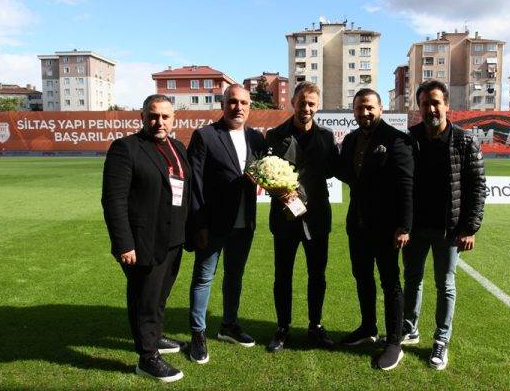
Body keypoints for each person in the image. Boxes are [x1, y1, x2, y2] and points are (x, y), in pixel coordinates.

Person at [102, 94, 190, 382]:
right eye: (153, 116)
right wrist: (123, 243)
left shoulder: (177, 147)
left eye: (165, 116)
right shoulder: (126, 148)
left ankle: (155, 336)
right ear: (142, 117)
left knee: (159, 297)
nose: (159, 122)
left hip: (173, 238)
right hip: (142, 241)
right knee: (144, 298)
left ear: (173, 118)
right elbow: (113, 200)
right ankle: (147, 357)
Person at [402, 79, 486, 370]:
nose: (431, 108)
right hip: (414, 228)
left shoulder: (465, 141)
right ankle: (409, 327)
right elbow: (402, 185)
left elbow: (477, 187)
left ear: (447, 105)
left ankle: (441, 339)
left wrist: (469, 228)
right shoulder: (409, 139)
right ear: (419, 108)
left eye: (436, 102)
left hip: (449, 230)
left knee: (445, 284)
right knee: (412, 279)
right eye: (425, 103)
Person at [185, 84, 266, 364]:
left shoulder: (256, 138)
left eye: (244, 102)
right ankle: (198, 333)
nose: (238, 107)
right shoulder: (205, 136)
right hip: (212, 223)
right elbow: (193, 184)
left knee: (235, 276)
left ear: (250, 106)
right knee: (204, 277)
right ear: (223, 104)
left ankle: (229, 325)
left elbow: (265, 173)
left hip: (245, 223)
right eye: (232, 101)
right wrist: (199, 224)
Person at [338, 88, 414, 370]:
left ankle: (394, 341)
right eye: (359, 108)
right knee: (362, 277)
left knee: (390, 282)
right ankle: (368, 327)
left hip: (386, 228)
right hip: (357, 225)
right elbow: (344, 172)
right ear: (354, 111)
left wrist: (404, 226)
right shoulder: (350, 139)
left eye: (369, 107)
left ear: (381, 109)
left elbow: (407, 186)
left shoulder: (397, 140)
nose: (364, 113)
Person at [265, 81, 339, 352]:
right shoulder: (274, 135)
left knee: (317, 276)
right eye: (302, 102)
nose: (306, 108)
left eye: (311, 104)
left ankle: (315, 327)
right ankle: (282, 328)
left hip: (317, 220)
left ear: (317, 106)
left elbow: (334, 170)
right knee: (282, 276)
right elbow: (266, 174)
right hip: (285, 219)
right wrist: (280, 194)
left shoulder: (327, 137)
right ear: (292, 103)